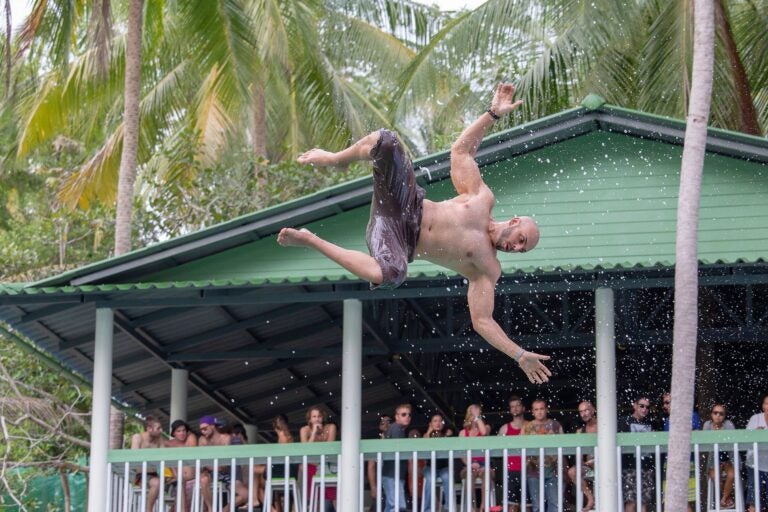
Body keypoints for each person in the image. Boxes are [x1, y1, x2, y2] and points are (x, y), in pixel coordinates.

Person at [278, 82, 550, 384]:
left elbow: (482, 320)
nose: (517, 247)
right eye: (521, 240)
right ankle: (336, 159)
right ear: (514, 222)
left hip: (394, 238)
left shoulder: (487, 268)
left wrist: (519, 354)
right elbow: (460, 151)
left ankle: (310, 240)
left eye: (522, 250)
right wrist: (493, 114)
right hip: (404, 202)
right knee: (386, 141)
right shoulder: (480, 198)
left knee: (390, 275)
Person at [197, 415, 248, 512]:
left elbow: (227, 462)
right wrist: (213, 466)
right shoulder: (202, 440)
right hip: (210, 472)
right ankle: (211, 509)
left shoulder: (226, 438)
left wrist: (215, 465)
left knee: (246, 495)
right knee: (203, 480)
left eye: (205, 428)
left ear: (212, 426)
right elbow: (203, 461)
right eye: (201, 430)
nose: (203, 431)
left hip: (226, 472)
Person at [522, 399, 563, 512]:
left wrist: (562, 468)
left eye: (541, 409)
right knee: (537, 506)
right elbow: (521, 447)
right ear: (532, 412)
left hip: (553, 470)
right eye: (536, 409)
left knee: (555, 503)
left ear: (546, 409)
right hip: (533, 470)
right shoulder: (527, 427)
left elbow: (563, 446)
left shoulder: (555, 425)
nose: (539, 412)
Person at [618, 394, 654, 512]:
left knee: (644, 501)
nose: (644, 409)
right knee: (631, 501)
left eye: (647, 407)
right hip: (629, 467)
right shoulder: (624, 421)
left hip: (646, 467)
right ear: (634, 405)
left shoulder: (650, 423)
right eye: (641, 406)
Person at [300, 406, 338, 511]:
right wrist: (313, 434)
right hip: (312, 466)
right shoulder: (304, 430)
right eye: (314, 416)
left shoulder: (331, 427)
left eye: (319, 416)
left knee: (334, 496)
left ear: (323, 417)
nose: (317, 419)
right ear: (310, 419)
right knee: (315, 497)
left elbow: (329, 449)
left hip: (328, 466)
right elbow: (306, 451)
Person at [459, 404, 494, 512]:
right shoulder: (463, 433)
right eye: (472, 414)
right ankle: (472, 507)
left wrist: (477, 418)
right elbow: (461, 453)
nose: (474, 416)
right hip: (469, 464)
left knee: (487, 473)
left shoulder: (486, 427)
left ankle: (484, 506)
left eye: (477, 414)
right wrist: (469, 464)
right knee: (470, 474)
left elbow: (483, 432)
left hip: (485, 464)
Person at [496, 396, 527, 512]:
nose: (515, 408)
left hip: (529, 470)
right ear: (510, 410)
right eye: (512, 406)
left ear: (523, 408)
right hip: (511, 470)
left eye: (517, 405)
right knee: (511, 506)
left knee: (528, 505)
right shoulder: (504, 429)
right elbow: (497, 451)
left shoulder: (531, 426)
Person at [702, 404, 736, 509]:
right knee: (715, 477)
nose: (718, 415)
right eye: (715, 413)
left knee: (732, 475)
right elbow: (705, 442)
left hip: (727, 457)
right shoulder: (707, 425)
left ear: (725, 416)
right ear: (711, 414)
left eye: (721, 414)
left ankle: (723, 499)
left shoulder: (728, 424)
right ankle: (727, 498)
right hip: (714, 457)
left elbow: (731, 441)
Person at [130, 415, 167, 512]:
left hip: (154, 474)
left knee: (174, 482)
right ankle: (149, 510)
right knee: (157, 482)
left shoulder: (159, 439)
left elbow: (166, 457)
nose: (161, 430)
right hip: (140, 475)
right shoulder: (138, 437)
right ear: (149, 429)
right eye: (158, 428)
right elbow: (134, 459)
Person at [382, 404, 412, 512]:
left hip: (393, 473)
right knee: (397, 506)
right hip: (392, 474)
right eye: (403, 414)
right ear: (397, 417)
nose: (407, 417)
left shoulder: (396, 429)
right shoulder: (396, 428)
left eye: (409, 414)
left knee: (392, 506)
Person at [567, 400, 596, 511]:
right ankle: (590, 499)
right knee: (572, 471)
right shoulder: (580, 431)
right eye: (581, 412)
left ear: (593, 409)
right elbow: (579, 456)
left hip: (606, 465)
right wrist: (583, 465)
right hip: (590, 467)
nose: (584, 414)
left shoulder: (605, 426)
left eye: (586, 410)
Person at [422, 413, 454, 511]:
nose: (438, 423)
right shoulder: (426, 435)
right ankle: (427, 509)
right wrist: (429, 430)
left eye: (440, 421)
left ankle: (448, 507)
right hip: (430, 467)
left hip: (444, 467)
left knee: (447, 476)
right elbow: (423, 443)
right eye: (435, 421)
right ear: (430, 423)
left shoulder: (447, 434)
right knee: (430, 478)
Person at [166, 419, 198, 512]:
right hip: (175, 478)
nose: (182, 433)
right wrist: (175, 475)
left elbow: (190, 452)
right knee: (180, 482)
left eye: (184, 430)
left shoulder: (191, 438)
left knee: (183, 483)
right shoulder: (169, 444)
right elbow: (168, 463)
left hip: (191, 479)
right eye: (178, 431)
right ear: (173, 433)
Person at [746, 393, 768, 512]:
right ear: (763, 406)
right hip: (754, 463)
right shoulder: (755, 418)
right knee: (753, 500)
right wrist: (755, 433)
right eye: (766, 403)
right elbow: (745, 438)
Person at [368, 414, 392, 512]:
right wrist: (373, 487)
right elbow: (371, 466)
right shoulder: (375, 443)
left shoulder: (397, 439)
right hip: (380, 484)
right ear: (379, 426)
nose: (386, 425)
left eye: (389, 422)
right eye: (383, 423)